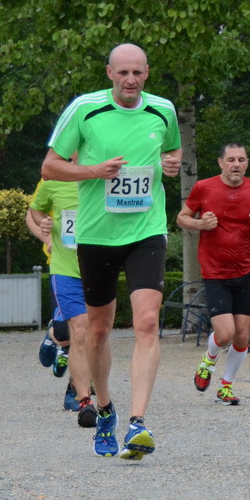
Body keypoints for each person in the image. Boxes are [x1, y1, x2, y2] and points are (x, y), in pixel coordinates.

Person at [41, 44, 181, 460]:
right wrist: (92, 172)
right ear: (109, 73)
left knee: (148, 322)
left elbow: (170, 149)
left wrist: (170, 163)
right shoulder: (85, 109)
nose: (130, 80)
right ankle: (105, 410)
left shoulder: (163, 111)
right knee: (99, 331)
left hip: (146, 230)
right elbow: (50, 165)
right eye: (123, 72)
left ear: (147, 74)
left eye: (138, 72)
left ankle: (138, 422)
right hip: (97, 235)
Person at [176, 142, 250, 406]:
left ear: (247, 163)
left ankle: (226, 386)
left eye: (242, 160)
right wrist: (201, 224)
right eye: (231, 159)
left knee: (243, 335)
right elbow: (181, 217)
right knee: (224, 334)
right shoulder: (204, 187)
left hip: (246, 269)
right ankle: (208, 360)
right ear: (221, 162)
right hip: (215, 270)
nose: (237, 164)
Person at [27, 177, 89, 417]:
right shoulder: (53, 176)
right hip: (63, 266)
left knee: (88, 332)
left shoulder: (106, 172)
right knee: (67, 332)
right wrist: (47, 237)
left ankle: (77, 392)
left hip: (97, 265)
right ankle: (54, 337)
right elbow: (32, 213)